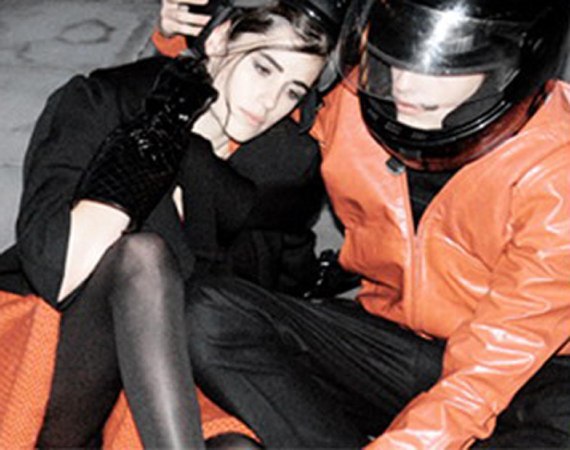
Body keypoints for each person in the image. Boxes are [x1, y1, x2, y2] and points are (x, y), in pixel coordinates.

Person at [181, 0, 570, 448]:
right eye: (395, 54)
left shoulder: (557, 170)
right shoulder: (349, 105)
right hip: (393, 346)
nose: (403, 84)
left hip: (527, 376)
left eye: (441, 67)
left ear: (511, 63)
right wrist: (189, 30)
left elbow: (487, 373)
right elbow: (254, 75)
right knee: (209, 314)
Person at [0, 0, 346, 447]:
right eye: (263, 69)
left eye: (293, 92)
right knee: (142, 257)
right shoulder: (107, 102)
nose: (270, 103)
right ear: (219, 39)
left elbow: (277, 295)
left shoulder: (281, 169)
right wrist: (164, 128)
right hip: (52, 342)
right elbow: (58, 272)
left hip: (162, 379)